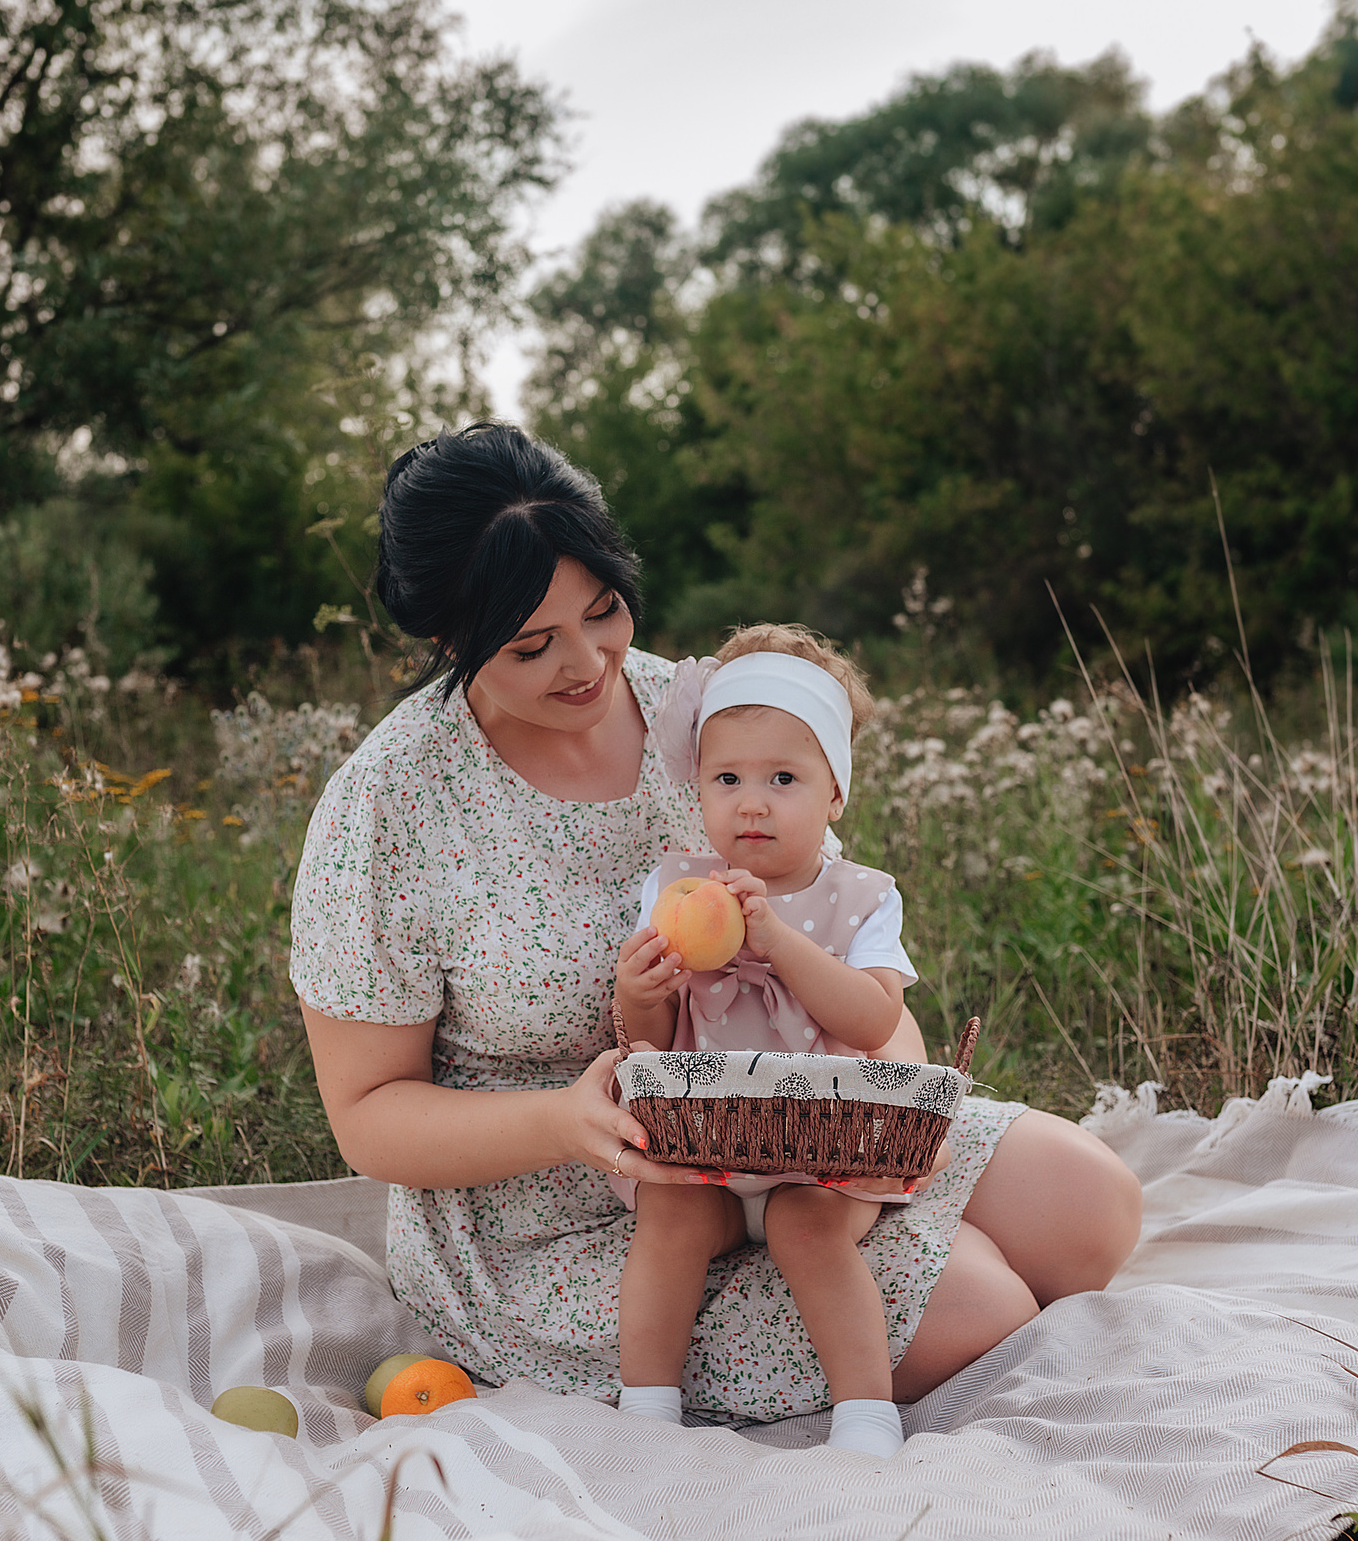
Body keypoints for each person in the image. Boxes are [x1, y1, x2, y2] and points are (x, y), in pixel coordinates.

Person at [292, 422, 1142, 1430]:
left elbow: (836, 914)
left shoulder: (701, 714)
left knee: (1090, 1204)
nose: (587, 661)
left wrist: (879, 1071)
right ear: (446, 641)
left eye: (603, 610)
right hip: (571, 1205)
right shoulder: (390, 802)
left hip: (798, 1114)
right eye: (531, 644)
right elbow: (369, 1112)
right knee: (984, 1303)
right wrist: (566, 1121)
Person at [609, 625, 933, 1456]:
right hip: (707, 1144)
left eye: (782, 778)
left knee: (807, 1226)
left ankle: (865, 1413)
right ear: (701, 790)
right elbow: (647, 1042)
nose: (751, 802)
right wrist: (639, 992)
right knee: (670, 1211)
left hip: (824, 1146)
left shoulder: (862, 899)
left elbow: (872, 1021)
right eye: (728, 778)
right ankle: (647, 1410)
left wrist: (780, 944)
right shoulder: (677, 889)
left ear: (834, 793)